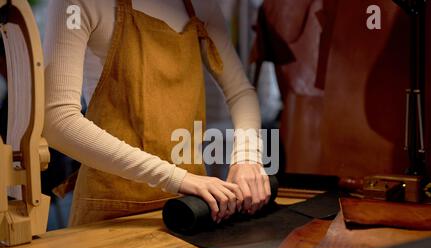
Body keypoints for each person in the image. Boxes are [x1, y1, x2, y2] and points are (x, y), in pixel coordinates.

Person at [44, 0, 270, 226]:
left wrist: (247, 157)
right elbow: (58, 120)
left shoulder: (201, 5)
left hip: (190, 208)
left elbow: (240, 92)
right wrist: (178, 179)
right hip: (113, 209)